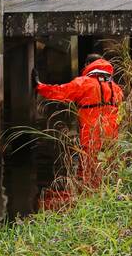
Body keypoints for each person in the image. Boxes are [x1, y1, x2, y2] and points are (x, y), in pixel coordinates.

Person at [36, 54, 124, 184]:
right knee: (109, 166)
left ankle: (90, 194)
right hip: (112, 135)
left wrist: (39, 86)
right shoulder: (116, 88)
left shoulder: (84, 82)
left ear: (88, 65)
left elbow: (61, 92)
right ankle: (108, 190)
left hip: (91, 134)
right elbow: (121, 113)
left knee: (87, 168)